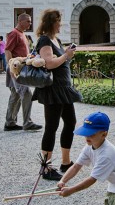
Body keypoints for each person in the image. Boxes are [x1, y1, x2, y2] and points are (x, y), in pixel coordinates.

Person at [32, 9, 82, 181]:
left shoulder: (56, 40)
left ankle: (66, 162)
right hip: (53, 90)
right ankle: (46, 168)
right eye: (59, 21)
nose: (61, 24)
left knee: (70, 122)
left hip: (63, 89)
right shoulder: (45, 40)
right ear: (52, 22)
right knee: (51, 127)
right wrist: (66, 56)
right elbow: (49, 63)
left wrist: (66, 53)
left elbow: (58, 60)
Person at [4, 13, 41, 132]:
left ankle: (10, 123)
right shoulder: (14, 33)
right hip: (16, 69)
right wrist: (10, 67)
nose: (30, 24)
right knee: (26, 94)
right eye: (28, 21)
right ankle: (27, 123)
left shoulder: (22, 34)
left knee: (15, 95)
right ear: (20, 21)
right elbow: (7, 50)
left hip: (21, 68)